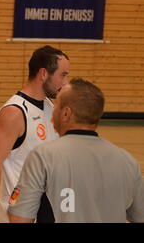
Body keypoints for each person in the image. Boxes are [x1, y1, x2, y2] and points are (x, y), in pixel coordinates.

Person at [8, 78, 144, 223]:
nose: (52, 112)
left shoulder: (43, 156)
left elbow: (19, 218)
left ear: (66, 113)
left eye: (57, 106)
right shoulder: (127, 162)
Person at [0, 45, 70, 223]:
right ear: (44, 74)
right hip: (19, 213)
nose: (65, 82)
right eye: (63, 75)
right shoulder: (14, 112)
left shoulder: (50, 106)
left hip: (46, 209)